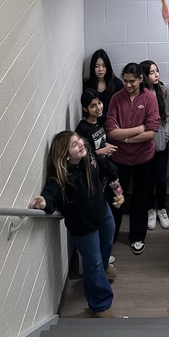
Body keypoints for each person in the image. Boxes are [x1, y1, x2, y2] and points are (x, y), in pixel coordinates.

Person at [27, 130, 123, 318]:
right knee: (92, 263)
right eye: (74, 144)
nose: (81, 144)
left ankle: (103, 270)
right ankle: (100, 305)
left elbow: (107, 167)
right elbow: (51, 192)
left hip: (102, 213)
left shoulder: (89, 158)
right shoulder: (60, 177)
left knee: (107, 243)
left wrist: (117, 190)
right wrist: (44, 202)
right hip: (83, 227)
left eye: (79, 139)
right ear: (64, 154)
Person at [106, 62, 160, 254]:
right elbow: (111, 131)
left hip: (143, 159)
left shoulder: (150, 99)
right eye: (125, 81)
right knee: (117, 197)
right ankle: (110, 234)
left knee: (141, 198)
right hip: (119, 160)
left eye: (132, 82)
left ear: (140, 79)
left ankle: (138, 236)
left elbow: (151, 132)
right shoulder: (116, 99)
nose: (128, 85)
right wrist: (137, 131)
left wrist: (124, 137)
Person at [140, 59, 169, 230]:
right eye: (151, 72)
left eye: (157, 71)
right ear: (144, 76)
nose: (156, 75)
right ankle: (150, 210)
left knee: (160, 180)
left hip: (161, 144)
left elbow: (168, 117)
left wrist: (166, 136)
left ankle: (162, 208)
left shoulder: (163, 92)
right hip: (143, 145)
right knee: (146, 181)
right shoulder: (140, 94)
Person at [84, 49, 122, 126]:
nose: (100, 69)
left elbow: (122, 105)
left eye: (104, 66)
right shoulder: (87, 84)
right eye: (97, 66)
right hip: (94, 123)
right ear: (92, 67)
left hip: (113, 122)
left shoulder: (116, 83)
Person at [76, 89, 118, 157]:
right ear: (85, 109)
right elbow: (80, 155)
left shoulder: (100, 120)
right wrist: (100, 151)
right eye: (93, 106)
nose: (98, 108)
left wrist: (106, 144)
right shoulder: (82, 128)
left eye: (99, 103)